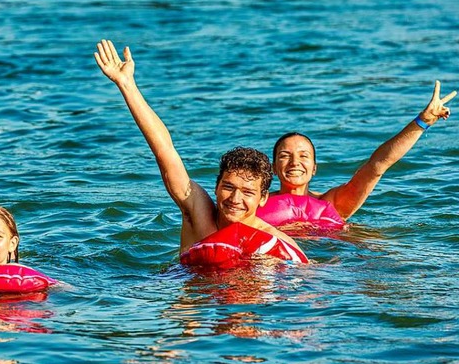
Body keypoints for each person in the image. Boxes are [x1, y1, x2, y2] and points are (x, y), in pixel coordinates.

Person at [94, 39, 301, 254]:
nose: (235, 199)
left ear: (263, 198)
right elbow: (165, 151)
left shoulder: (276, 243)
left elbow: (309, 279)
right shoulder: (198, 212)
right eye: (228, 187)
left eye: (248, 192)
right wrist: (126, 84)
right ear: (217, 186)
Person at [257, 81, 457, 228]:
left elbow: (377, 166)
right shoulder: (256, 204)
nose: (295, 162)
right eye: (285, 155)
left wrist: (422, 122)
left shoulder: (332, 203)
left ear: (314, 168)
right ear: (273, 168)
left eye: (303, 156)